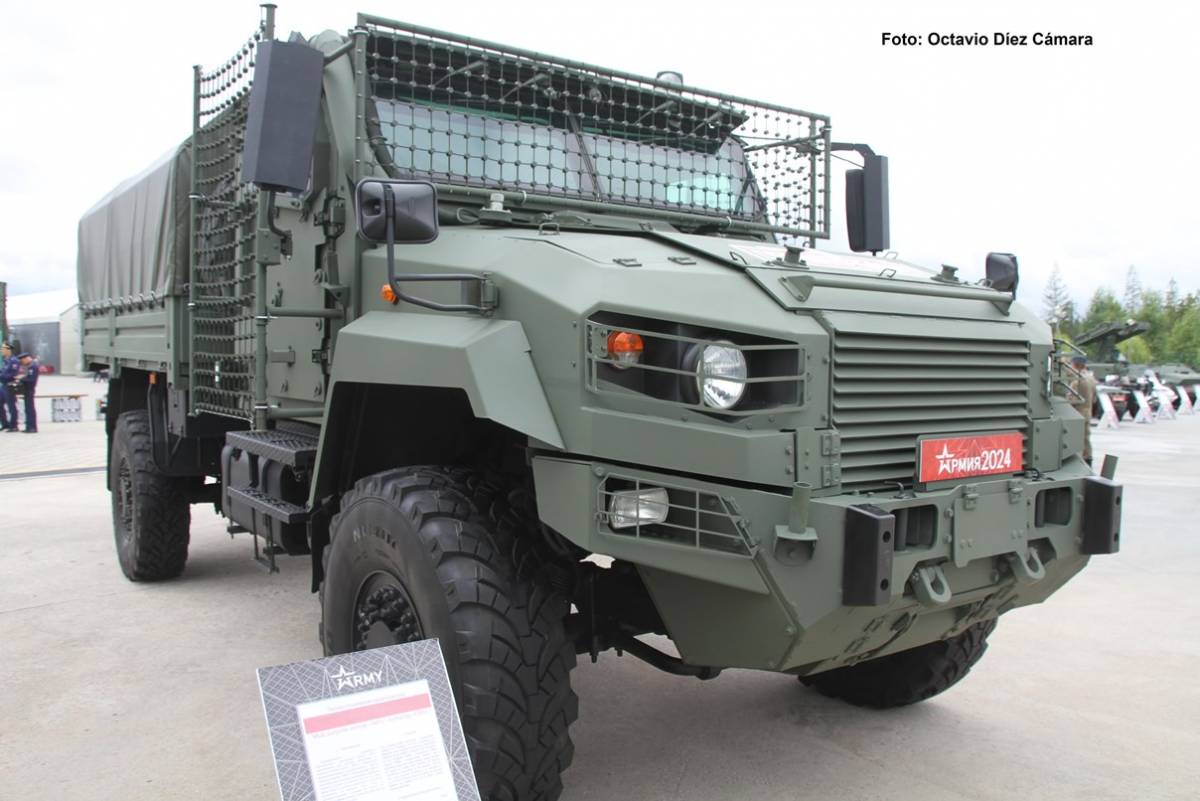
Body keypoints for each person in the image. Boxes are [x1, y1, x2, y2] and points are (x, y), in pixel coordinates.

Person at [1068, 354, 1097, 465]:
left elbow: (1073, 400)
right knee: (1086, 438)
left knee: (1077, 440)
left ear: (1075, 364)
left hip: (1078, 413)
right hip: (1088, 412)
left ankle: (1078, 462)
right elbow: (1094, 399)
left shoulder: (1077, 381)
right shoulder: (1091, 379)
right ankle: (1088, 459)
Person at [14, 352, 39, 433]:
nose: (22, 363)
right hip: (27, 390)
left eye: (22, 361)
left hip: (29, 390)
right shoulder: (30, 366)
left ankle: (32, 427)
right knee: (28, 409)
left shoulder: (33, 367)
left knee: (30, 409)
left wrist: (21, 378)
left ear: (26, 358)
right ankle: (29, 426)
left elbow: (31, 379)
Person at [0, 342, 18, 431]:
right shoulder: (5, 360)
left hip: (9, 385)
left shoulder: (14, 361)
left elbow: (12, 374)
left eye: (3, 349)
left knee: (11, 406)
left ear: (8, 350)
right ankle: (5, 424)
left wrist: (2, 376)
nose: (1, 350)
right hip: (3, 385)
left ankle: (13, 425)